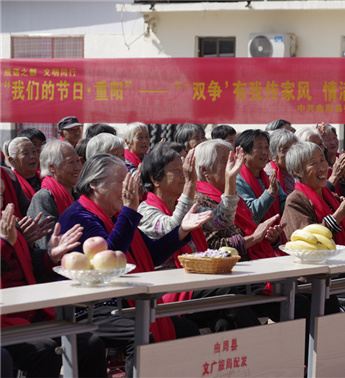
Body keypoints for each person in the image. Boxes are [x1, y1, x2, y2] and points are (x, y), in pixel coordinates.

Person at [58, 153, 207, 375]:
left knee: (187, 329)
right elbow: (108, 259)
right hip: (90, 307)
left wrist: (182, 230)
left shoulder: (116, 214)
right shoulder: (80, 215)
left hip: (121, 301)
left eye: (130, 180)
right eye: (121, 181)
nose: (129, 188)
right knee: (140, 334)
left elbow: (152, 254)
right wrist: (129, 212)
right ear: (95, 185)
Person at [138, 143, 261, 331]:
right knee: (227, 292)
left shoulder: (184, 203)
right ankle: (261, 345)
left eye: (184, 170)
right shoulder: (146, 211)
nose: (184, 175)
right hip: (169, 287)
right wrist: (189, 186)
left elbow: (222, 220)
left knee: (224, 323)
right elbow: (172, 229)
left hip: (196, 281)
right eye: (177, 171)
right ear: (155, 179)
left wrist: (230, 180)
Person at [1, 188, 107, 377]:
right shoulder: (7, 232)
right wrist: (4, 244)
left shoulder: (7, 225)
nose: (2, 196)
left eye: (2, 191)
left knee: (90, 344)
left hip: (33, 316)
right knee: (45, 351)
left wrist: (51, 257)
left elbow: (30, 269)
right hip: (5, 323)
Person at [195, 139, 284, 259]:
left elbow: (253, 228)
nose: (234, 165)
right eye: (226, 161)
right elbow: (211, 248)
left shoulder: (235, 196)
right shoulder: (199, 201)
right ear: (205, 170)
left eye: (233, 159)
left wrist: (269, 237)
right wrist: (254, 238)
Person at [282, 141, 345, 252]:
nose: (322, 167)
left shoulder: (332, 197)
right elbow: (309, 242)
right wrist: (340, 213)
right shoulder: (295, 201)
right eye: (313, 163)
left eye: (322, 160)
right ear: (297, 171)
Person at [27, 141, 82, 249]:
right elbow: (47, 244)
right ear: (52, 167)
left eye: (77, 161)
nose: (77, 167)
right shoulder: (44, 198)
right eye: (71, 162)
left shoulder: (77, 194)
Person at [235, 129, 287, 224]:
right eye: (259, 147)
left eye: (266, 147)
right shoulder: (237, 181)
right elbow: (251, 215)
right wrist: (270, 193)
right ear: (244, 153)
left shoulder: (270, 179)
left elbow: (285, 205)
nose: (264, 152)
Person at [317, 123, 345, 196]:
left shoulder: (344, 160)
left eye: (334, 138)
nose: (333, 142)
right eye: (328, 140)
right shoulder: (320, 165)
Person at [264, 129, 298, 195]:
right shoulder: (268, 174)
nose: (292, 153)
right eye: (285, 150)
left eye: (294, 148)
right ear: (271, 154)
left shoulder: (300, 171)